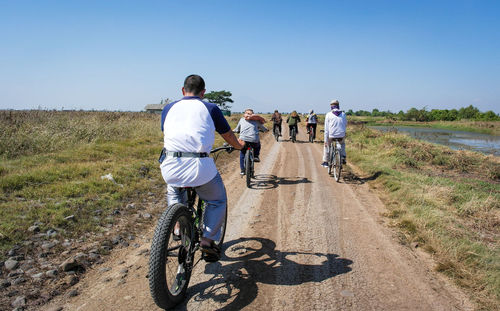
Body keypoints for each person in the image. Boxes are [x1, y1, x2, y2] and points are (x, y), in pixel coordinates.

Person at [159, 74, 244, 262]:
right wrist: (239, 145)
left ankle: (177, 227)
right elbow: (228, 135)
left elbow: (168, 131)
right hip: (199, 167)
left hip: (171, 165)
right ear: (203, 93)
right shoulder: (210, 108)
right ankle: (207, 241)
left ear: (182, 90)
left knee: (174, 189)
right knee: (217, 200)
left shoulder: (168, 107)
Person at [233, 108, 268, 175]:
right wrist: (266, 130)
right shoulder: (257, 121)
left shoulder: (241, 120)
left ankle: (243, 170)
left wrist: (233, 131)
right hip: (254, 140)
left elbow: (237, 129)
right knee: (258, 145)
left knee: (242, 154)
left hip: (243, 140)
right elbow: (263, 128)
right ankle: (256, 156)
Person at [322, 100, 347, 167]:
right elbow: (345, 124)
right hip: (341, 135)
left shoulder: (328, 114)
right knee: (342, 144)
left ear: (331, 106)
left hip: (331, 135)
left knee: (327, 145)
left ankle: (325, 161)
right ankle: (343, 156)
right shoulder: (343, 114)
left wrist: (325, 140)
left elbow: (326, 129)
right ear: (338, 106)